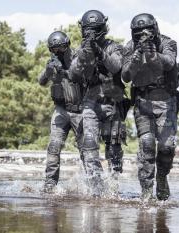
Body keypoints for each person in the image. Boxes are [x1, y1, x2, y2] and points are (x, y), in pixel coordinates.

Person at [122, 13, 179, 201]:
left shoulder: (168, 43)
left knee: (166, 147)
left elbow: (168, 63)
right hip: (142, 102)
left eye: (145, 32)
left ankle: (162, 177)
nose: (143, 36)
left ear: (155, 29)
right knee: (146, 146)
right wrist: (138, 53)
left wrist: (151, 52)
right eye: (138, 33)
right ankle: (146, 192)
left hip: (166, 101)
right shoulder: (130, 47)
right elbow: (125, 76)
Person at [69, 10, 130, 195]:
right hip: (90, 103)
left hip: (112, 104)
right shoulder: (82, 49)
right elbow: (73, 74)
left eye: (94, 30)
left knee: (113, 150)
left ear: (102, 28)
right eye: (88, 30)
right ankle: (97, 189)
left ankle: (113, 189)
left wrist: (99, 51)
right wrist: (85, 53)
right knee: (88, 145)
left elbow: (117, 67)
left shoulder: (115, 47)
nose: (91, 34)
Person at [39, 31, 85, 192]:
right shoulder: (52, 61)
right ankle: (50, 184)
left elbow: (83, 76)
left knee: (86, 150)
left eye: (61, 48)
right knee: (54, 147)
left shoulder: (79, 58)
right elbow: (41, 81)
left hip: (80, 112)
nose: (58, 52)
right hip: (60, 111)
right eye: (54, 49)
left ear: (67, 45)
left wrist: (65, 70)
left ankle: (93, 185)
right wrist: (48, 70)